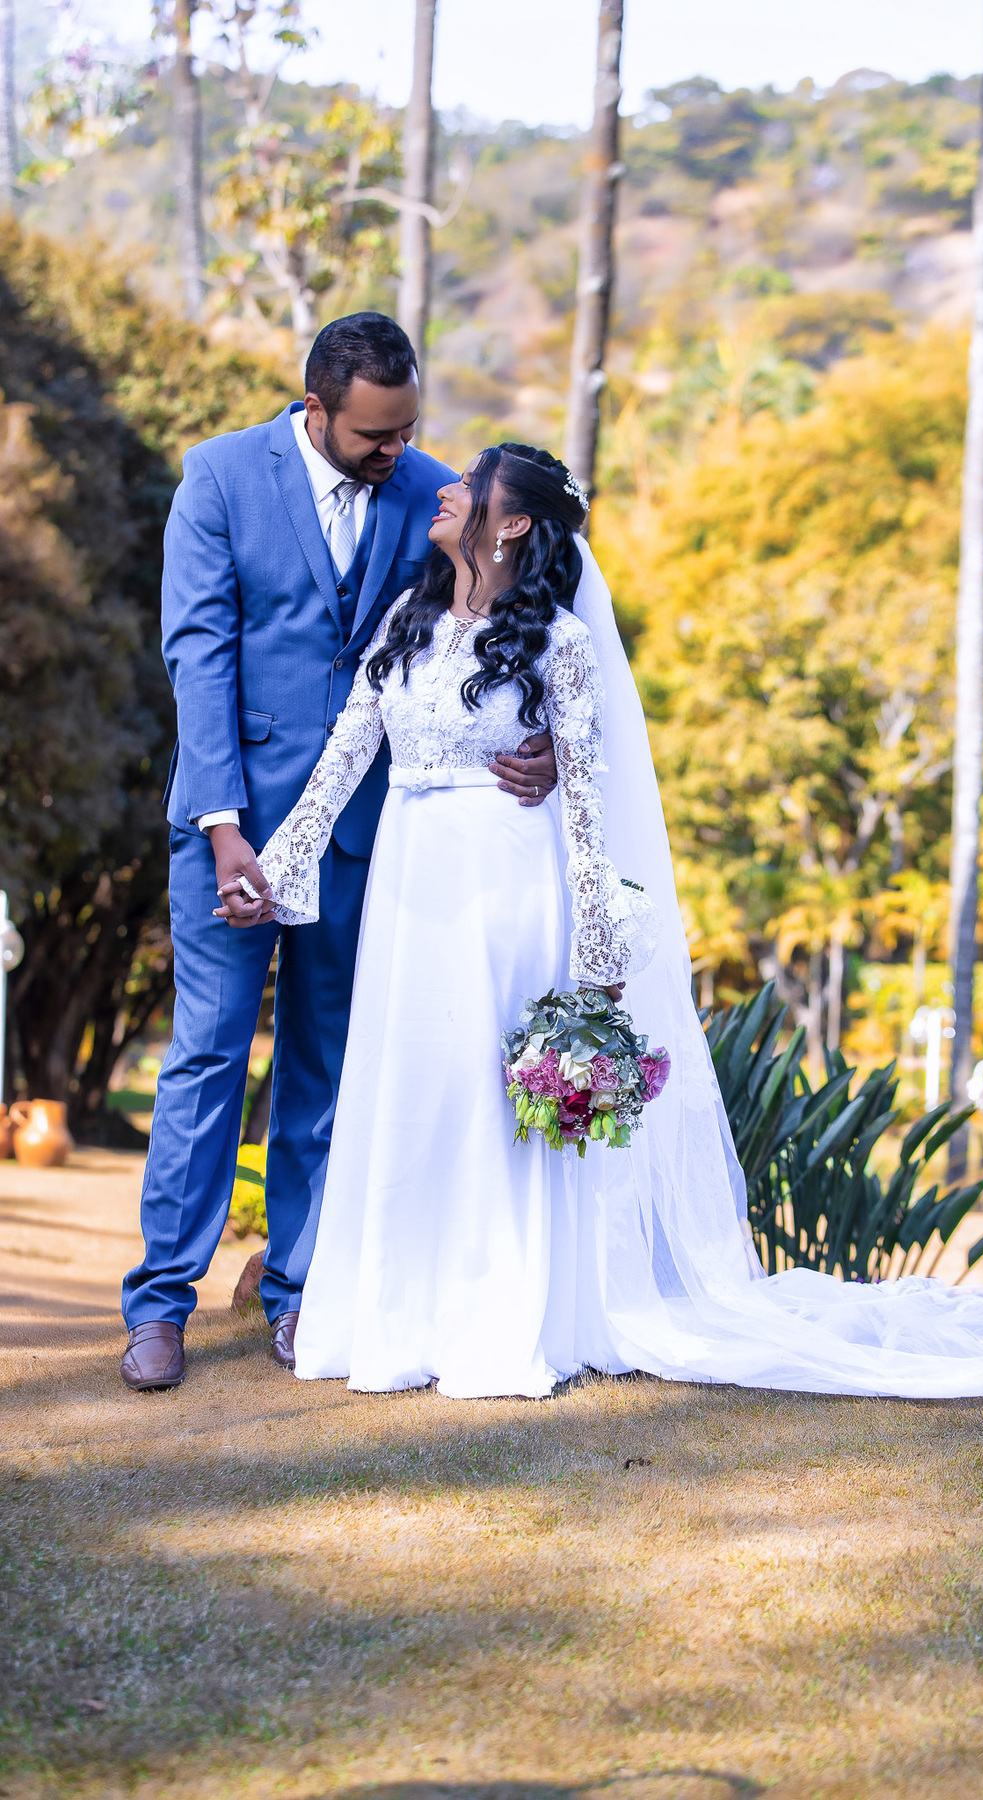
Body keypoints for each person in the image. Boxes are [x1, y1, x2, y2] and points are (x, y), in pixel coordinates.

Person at [259, 441, 983, 1401]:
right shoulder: (407, 621)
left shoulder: (559, 645)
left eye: (472, 484)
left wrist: (598, 944)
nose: (448, 489)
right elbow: (345, 756)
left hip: (510, 891)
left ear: (513, 523)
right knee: (414, 1085)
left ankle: (497, 1316)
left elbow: (587, 805)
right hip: (412, 890)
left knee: (489, 1098)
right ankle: (400, 1315)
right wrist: (279, 864)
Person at [119, 317, 557, 1393]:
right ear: (314, 407)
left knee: (325, 1064)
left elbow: (530, 597)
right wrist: (223, 825)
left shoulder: (434, 490)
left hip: (371, 834)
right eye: (374, 435)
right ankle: (160, 1304)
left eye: (407, 429)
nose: (396, 452)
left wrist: (548, 732)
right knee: (209, 1056)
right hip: (233, 827)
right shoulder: (218, 479)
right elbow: (198, 656)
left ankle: (302, 1294)